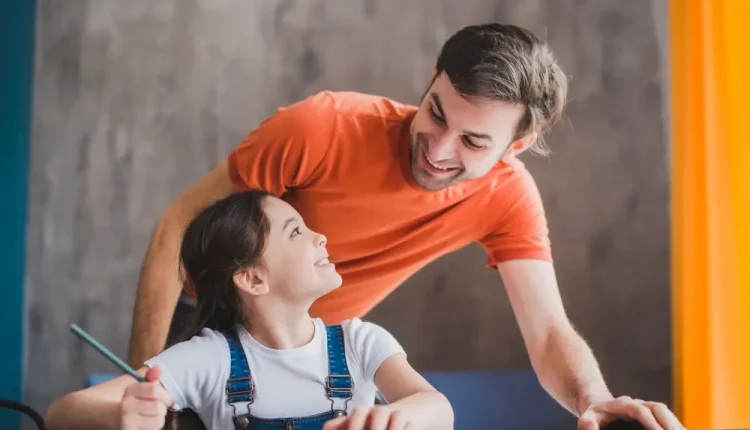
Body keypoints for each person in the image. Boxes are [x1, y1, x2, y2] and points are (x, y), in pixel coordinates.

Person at [127, 23, 683, 430]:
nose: (438, 150)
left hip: (324, 350)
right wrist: (144, 382)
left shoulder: (507, 197)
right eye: (437, 113)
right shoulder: (320, 128)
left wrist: (594, 401)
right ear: (431, 78)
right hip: (211, 316)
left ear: (516, 147)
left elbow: (548, 333)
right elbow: (178, 227)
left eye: (472, 141)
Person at [45, 190, 453, 430]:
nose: (321, 237)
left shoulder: (360, 342)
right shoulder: (210, 359)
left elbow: (438, 409)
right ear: (253, 280)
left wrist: (395, 418)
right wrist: (125, 413)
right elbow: (61, 413)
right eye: (296, 231)